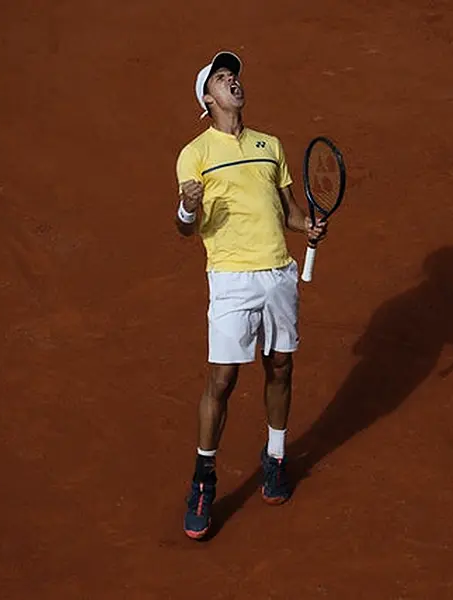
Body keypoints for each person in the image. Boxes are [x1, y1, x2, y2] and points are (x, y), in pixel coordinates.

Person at [174, 50, 327, 540]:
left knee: (280, 366)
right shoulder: (194, 154)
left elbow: (288, 212)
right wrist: (186, 207)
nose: (232, 82)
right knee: (222, 379)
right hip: (231, 280)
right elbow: (185, 226)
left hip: (278, 274)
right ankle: (204, 477)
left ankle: (275, 457)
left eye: (234, 76)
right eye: (222, 78)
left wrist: (310, 226)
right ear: (207, 98)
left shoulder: (270, 145)